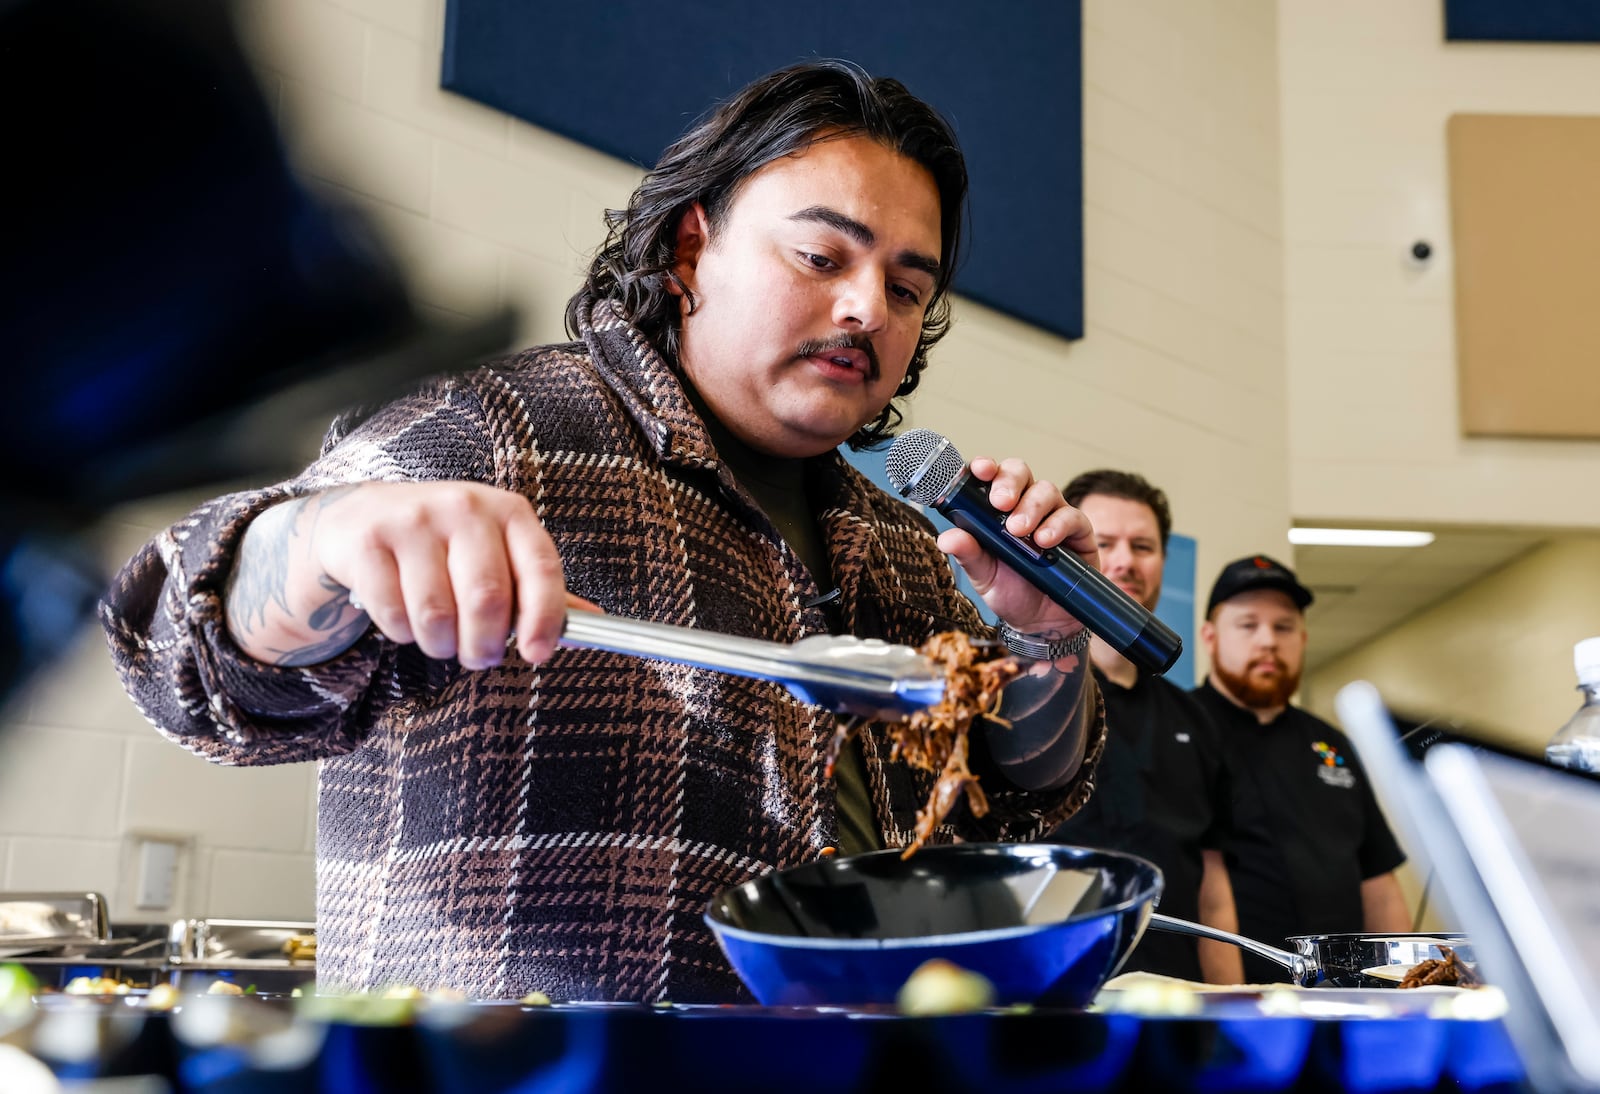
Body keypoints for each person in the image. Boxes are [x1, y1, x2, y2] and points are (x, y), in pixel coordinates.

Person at [100, 60, 1106, 1004]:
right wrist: (320, 539)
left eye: (904, 286)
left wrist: (1050, 634)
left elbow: (1020, 796)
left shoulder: (899, 539)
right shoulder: (490, 430)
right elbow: (183, 662)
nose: (863, 307)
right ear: (690, 247)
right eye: (820, 255)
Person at [1047, 471, 1243, 984]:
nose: (1125, 561)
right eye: (1103, 542)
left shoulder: (1197, 720)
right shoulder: (1024, 696)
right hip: (1047, 1002)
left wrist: (1234, 1004)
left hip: (1178, 1003)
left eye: (1143, 546)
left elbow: (1213, 885)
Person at [1192, 555, 1409, 984]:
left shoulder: (1332, 745)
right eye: (1248, 625)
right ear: (1211, 637)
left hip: (1349, 1002)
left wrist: (1408, 989)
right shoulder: (1182, 730)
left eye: (1284, 627)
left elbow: (1378, 883)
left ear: (1303, 638)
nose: (1268, 641)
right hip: (1243, 1001)